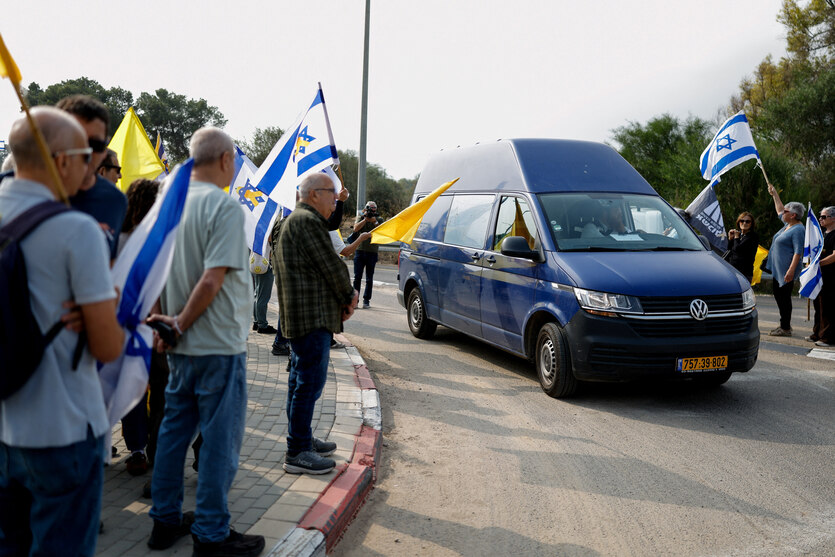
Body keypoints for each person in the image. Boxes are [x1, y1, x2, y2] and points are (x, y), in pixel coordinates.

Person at [0, 107, 124, 556]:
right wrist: (106, 305)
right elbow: (109, 346)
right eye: (85, 153)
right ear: (63, 159)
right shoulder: (76, 230)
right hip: (64, 426)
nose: (91, 164)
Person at [145, 128, 264, 557]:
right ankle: (212, 534)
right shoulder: (224, 209)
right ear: (227, 160)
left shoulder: (169, 206)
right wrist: (175, 323)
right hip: (216, 345)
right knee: (219, 443)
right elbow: (213, 278)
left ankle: (164, 520)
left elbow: (156, 271)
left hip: (181, 345)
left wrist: (164, 323)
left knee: (174, 434)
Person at [273, 173, 358, 474]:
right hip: (311, 318)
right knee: (308, 385)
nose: (336, 199)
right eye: (331, 193)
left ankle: (302, 439)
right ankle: (297, 451)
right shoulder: (308, 222)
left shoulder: (291, 221)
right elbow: (332, 265)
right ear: (312, 195)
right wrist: (350, 296)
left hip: (300, 316)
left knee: (299, 381)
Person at [57, 95, 128, 262]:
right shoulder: (20, 190)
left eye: (95, 145)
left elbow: (109, 263)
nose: (86, 153)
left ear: (105, 150)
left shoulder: (115, 201)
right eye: (76, 141)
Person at [765, 183, 805, 337]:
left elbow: (798, 252)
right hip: (778, 270)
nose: (783, 213)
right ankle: (784, 325)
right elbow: (780, 209)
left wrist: (791, 270)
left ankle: (786, 328)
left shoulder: (798, 229)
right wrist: (774, 194)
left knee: (784, 299)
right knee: (779, 297)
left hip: (786, 271)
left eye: (786, 212)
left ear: (793, 215)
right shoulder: (788, 224)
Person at [810, 206, 835, 347]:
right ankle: (817, 333)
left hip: (831, 277)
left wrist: (819, 264)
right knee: (818, 305)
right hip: (820, 276)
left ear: (833, 218)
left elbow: (834, 256)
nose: (820, 219)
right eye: (820, 217)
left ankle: (827, 337)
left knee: (828, 307)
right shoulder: (822, 233)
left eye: (824, 217)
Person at [352, 200, 383, 308]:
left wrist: (374, 221)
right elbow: (355, 228)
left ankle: (366, 301)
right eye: (370, 209)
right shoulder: (361, 218)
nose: (371, 211)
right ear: (366, 209)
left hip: (372, 252)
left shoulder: (379, 219)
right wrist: (365, 219)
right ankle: (355, 301)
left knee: (369, 278)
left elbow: (380, 231)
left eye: (373, 209)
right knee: (357, 278)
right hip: (360, 251)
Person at [725, 211, 760, 282]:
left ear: (751, 224)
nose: (744, 223)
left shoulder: (753, 237)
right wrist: (731, 238)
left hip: (744, 273)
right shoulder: (739, 234)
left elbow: (738, 250)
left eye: (747, 221)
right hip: (732, 270)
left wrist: (736, 237)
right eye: (742, 221)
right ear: (738, 222)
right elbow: (730, 249)